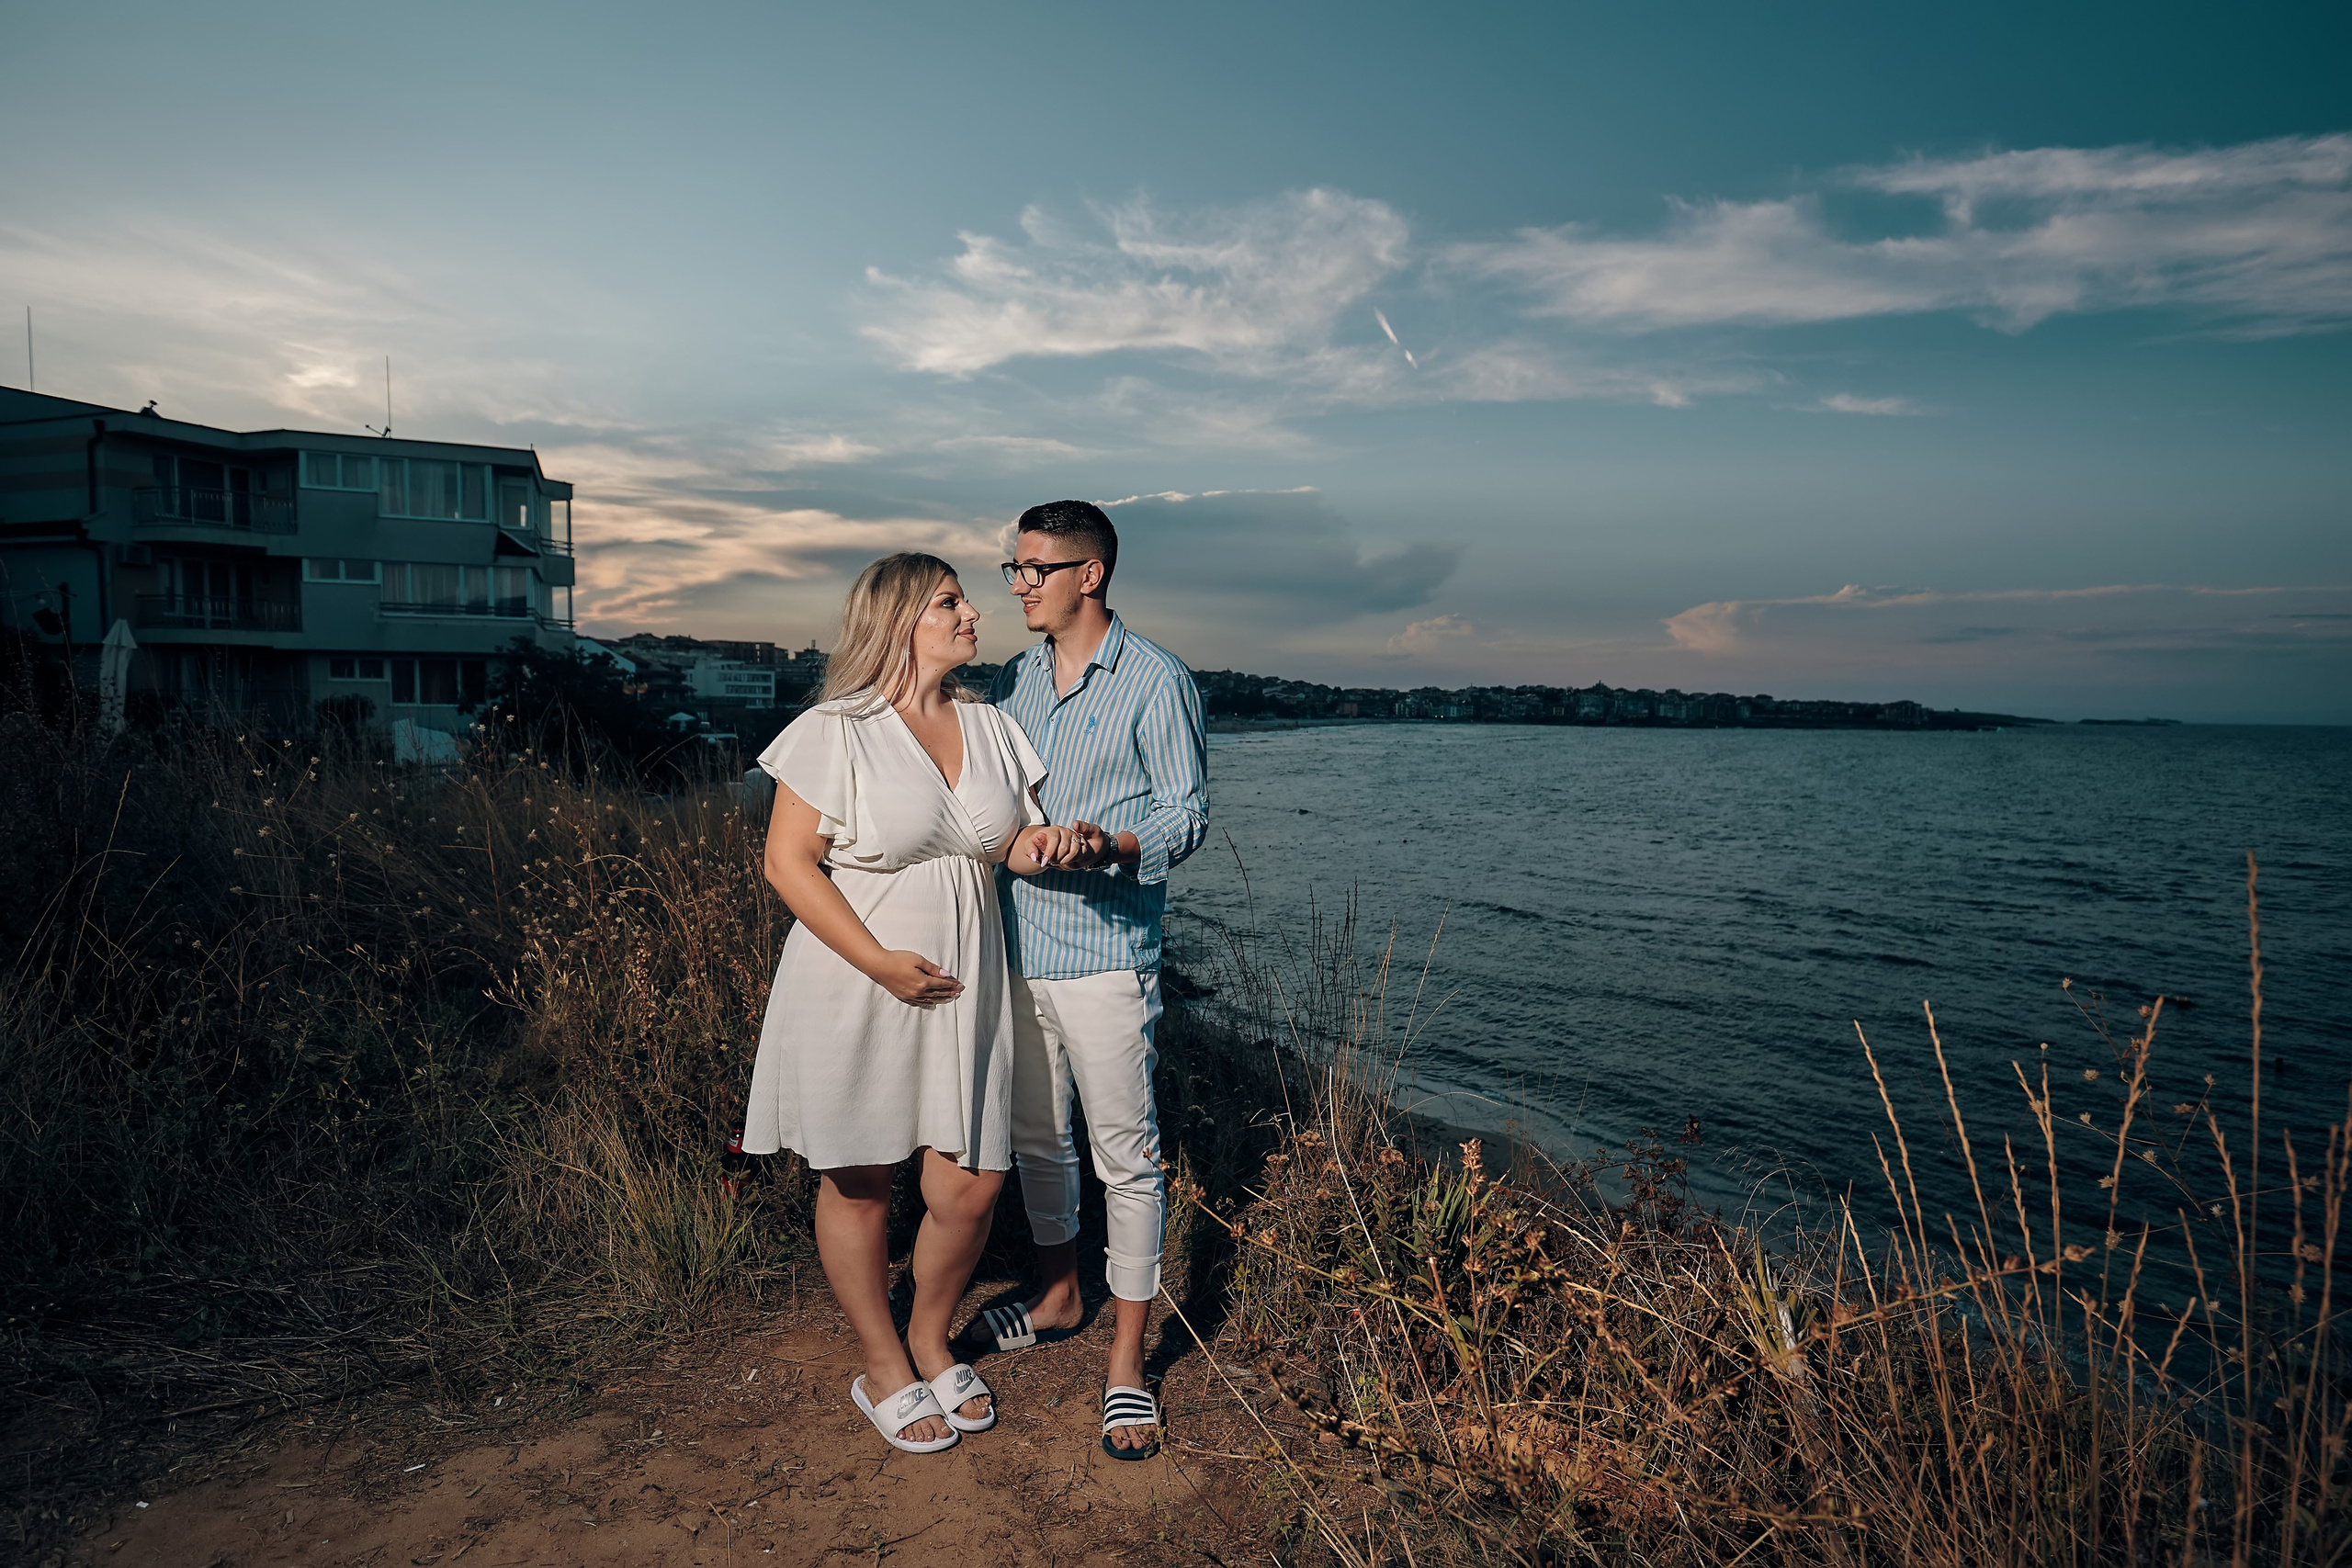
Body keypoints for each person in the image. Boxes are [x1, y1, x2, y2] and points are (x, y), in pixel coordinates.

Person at [744, 551, 1078, 1455]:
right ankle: (884, 1362)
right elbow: (787, 863)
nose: (973, 614)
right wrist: (880, 963)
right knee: (858, 1179)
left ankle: (930, 1336)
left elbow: (1003, 843)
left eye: (965, 600)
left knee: (972, 1184)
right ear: (899, 622)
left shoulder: (990, 724)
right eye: (949, 602)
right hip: (857, 976)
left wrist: (1044, 843)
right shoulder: (835, 728)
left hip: (966, 985)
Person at [973, 500, 1209, 1461]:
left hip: (1107, 954)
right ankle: (1059, 1293)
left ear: (1090, 574)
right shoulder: (1014, 679)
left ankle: (1127, 1362)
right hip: (1016, 946)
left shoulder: (1157, 678)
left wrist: (1110, 844)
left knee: (1126, 1157)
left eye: (1035, 569)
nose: (1019, 585)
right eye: (1015, 569)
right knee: (1037, 1138)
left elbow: (1186, 814)